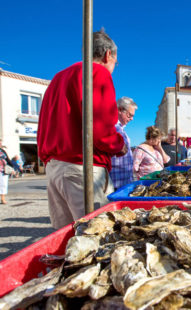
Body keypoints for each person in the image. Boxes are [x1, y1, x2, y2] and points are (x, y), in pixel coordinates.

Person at [37, 29, 126, 229]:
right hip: (83, 168)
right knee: (99, 235)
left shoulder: (58, 78)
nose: (114, 67)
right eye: (115, 63)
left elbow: (43, 127)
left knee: (66, 238)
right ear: (107, 55)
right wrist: (119, 145)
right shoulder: (97, 72)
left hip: (54, 168)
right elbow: (101, 129)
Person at [110, 97, 137, 190]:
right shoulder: (111, 127)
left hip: (124, 182)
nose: (132, 119)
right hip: (115, 182)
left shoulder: (120, 128)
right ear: (120, 110)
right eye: (130, 115)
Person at [0, 140, 13, 204]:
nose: (0, 144)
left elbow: (8, 159)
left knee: (3, 184)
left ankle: (2, 199)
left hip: (3, 170)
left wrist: (12, 168)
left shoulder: (3, 151)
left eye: (1, 143)